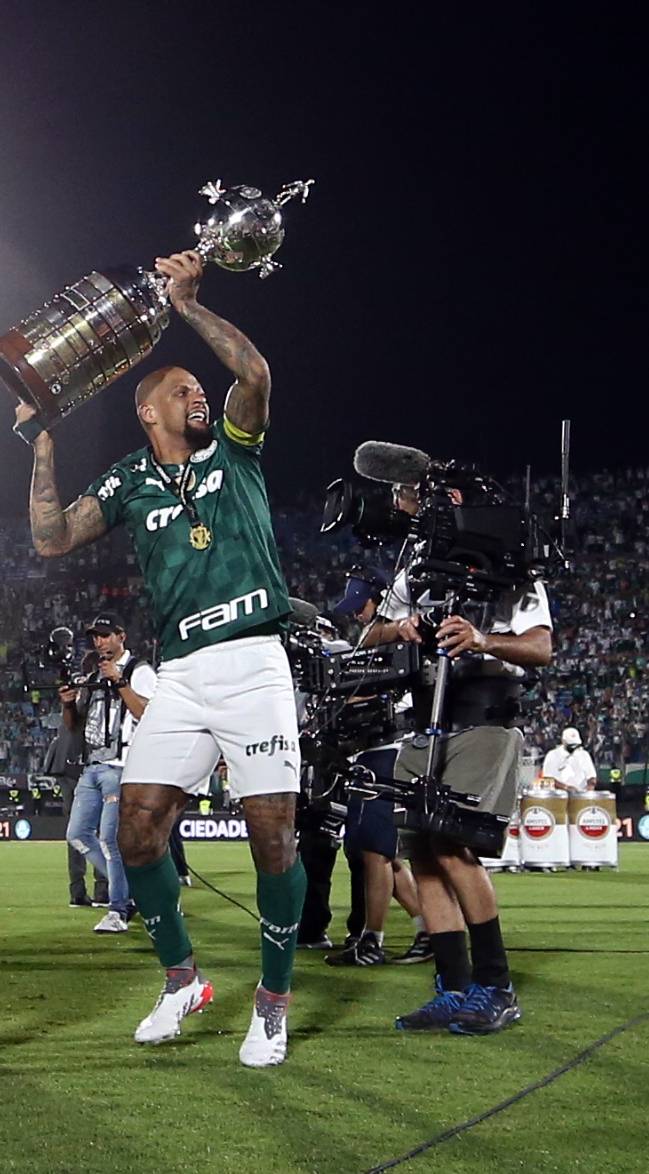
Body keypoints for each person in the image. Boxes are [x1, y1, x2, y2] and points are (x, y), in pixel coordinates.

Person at [27, 246, 305, 1068]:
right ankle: (181, 977)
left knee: (272, 838)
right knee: (137, 827)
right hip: (180, 671)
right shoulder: (128, 481)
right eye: (181, 391)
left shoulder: (234, 450)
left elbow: (251, 371)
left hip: (254, 661)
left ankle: (272, 1001)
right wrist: (41, 442)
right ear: (148, 412)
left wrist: (186, 304)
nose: (197, 397)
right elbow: (49, 537)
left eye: (197, 391)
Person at [362, 516, 552, 1036]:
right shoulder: (417, 570)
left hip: (483, 718)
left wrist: (482, 638)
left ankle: (496, 988)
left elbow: (540, 648)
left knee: (452, 848)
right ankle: (453, 987)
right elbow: (368, 632)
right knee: (423, 857)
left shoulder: (511, 563)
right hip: (423, 723)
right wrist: (398, 629)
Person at [320, 568, 429, 968]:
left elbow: (384, 675)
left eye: (362, 607)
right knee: (381, 853)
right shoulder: (374, 640)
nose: (358, 616)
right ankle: (427, 930)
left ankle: (372, 940)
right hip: (372, 750)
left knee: (374, 850)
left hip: (390, 749)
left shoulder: (400, 637)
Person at [59, 616, 155, 934]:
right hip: (92, 765)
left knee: (111, 841)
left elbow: (147, 712)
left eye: (104, 636)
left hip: (123, 765)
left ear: (121, 636)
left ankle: (118, 910)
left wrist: (120, 681)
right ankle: (131, 891)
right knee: (77, 834)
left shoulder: (139, 670)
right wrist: (68, 705)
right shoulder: (92, 675)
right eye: (95, 637)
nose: (99, 642)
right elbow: (77, 726)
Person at [541, 727, 596, 793]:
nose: (574, 747)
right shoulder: (553, 755)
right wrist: (565, 787)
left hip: (580, 795)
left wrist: (591, 785)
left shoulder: (584, 755)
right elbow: (548, 778)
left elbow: (591, 776)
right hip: (558, 795)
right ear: (563, 741)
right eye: (571, 745)